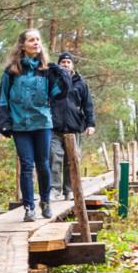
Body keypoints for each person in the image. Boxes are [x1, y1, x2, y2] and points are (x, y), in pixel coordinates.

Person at [0, 29, 69, 222]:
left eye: (38, 39)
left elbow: (58, 94)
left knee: (43, 164)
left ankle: (45, 201)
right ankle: (29, 207)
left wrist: (63, 77)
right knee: (26, 165)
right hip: (20, 125)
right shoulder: (11, 72)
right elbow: (3, 99)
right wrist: (4, 122)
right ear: (23, 45)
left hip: (42, 123)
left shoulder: (46, 70)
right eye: (31, 40)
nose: (36, 42)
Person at [49, 51, 96, 199]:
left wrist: (90, 124)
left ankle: (68, 190)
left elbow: (88, 105)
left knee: (72, 160)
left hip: (74, 127)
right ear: (59, 64)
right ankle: (54, 189)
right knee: (54, 158)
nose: (65, 64)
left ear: (72, 65)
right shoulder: (52, 81)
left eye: (68, 62)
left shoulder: (81, 83)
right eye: (63, 62)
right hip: (54, 127)